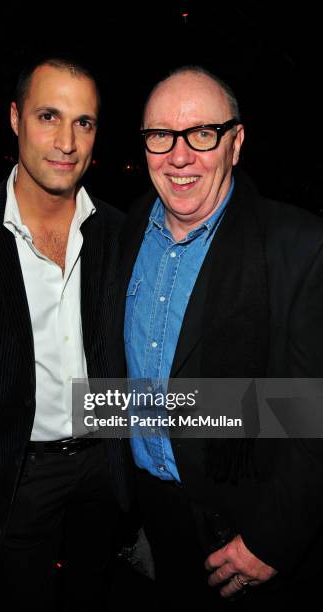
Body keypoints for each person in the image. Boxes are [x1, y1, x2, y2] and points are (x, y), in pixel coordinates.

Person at [0, 57, 126, 610]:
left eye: (84, 122)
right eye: (49, 116)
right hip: (15, 475)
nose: (66, 141)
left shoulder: (120, 232)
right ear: (15, 118)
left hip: (105, 470)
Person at [113, 66, 323, 609]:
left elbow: (310, 413)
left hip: (248, 525)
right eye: (161, 135)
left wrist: (275, 537)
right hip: (153, 513)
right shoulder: (125, 231)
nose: (179, 156)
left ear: (236, 142)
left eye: (203, 133)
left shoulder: (299, 247)